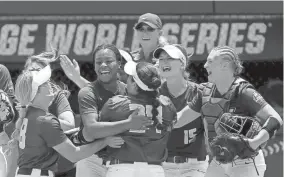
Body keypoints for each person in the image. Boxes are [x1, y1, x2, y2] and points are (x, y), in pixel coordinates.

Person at [175, 46, 282, 177]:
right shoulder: (204, 93)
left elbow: (275, 119)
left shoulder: (243, 92)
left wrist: (254, 142)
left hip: (245, 162)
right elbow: (179, 120)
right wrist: (154, 113)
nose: (204, 65)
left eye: (210, 61)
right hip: (218, 161)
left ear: (224, 65)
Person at [8, 55, 124, 177]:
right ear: (36, 92)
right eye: (45, 83)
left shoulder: (28, 113)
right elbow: (74, 155)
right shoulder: (44, 120)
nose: (51, 85)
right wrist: (105, 141)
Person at [69, 44, 153, 177]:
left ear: (119, 64)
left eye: (108, 61)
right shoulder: (87, 92)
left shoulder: (129, 91)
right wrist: (127, 124)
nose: (103, 65)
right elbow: (91, 129)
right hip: (91, 158)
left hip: (121, 161)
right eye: (98, 62)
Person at [100, 61, 177, 177]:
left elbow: (97, 132)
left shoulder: (114, 103)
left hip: (122, 169)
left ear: (135, 85)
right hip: (154, 170)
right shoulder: (167, 104)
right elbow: (171, 128)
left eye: (130, 78)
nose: (126, 81)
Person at [153, 44, 209, 177]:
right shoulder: (153, 93)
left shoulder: (199, 92)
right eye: (161, 59)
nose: (164, 62)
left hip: (194, 166)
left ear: (182, 64)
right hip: (162, 165)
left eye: (170, 58)